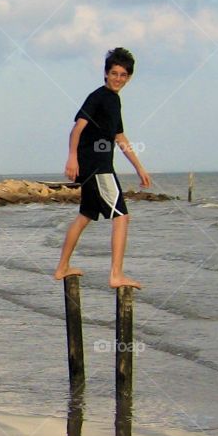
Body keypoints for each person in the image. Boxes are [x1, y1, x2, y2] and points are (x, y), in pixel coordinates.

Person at [54, 48, 150, 289]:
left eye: (123, 75)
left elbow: (120, 137)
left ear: (129, 77)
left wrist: (139, 168)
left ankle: (62, 267)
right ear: (106, 73)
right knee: (122, 217)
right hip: (97, 167)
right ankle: (116, 275)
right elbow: (77, 129)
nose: (118, 78)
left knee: (85, 216)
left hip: (97, 167)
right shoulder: (97, 97)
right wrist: (72, 158)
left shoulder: (114, 101)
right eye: (114, 73)